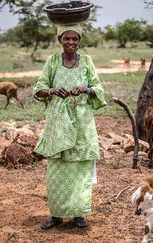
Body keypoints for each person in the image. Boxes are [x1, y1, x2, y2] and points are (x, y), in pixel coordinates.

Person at [33, 24, 106, 230]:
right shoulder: (52, 61)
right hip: (58, 123)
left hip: (82, 122)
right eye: (67, 39)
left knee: (80, 168)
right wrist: (52, 91)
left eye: (75, 39)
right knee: (57, 169)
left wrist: (86, 89)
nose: (71, 43)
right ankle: (56, 215)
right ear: (60, 40)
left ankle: (78, 213)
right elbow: (38, 89)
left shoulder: (87, 62)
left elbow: (98, 89)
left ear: (79, 41)